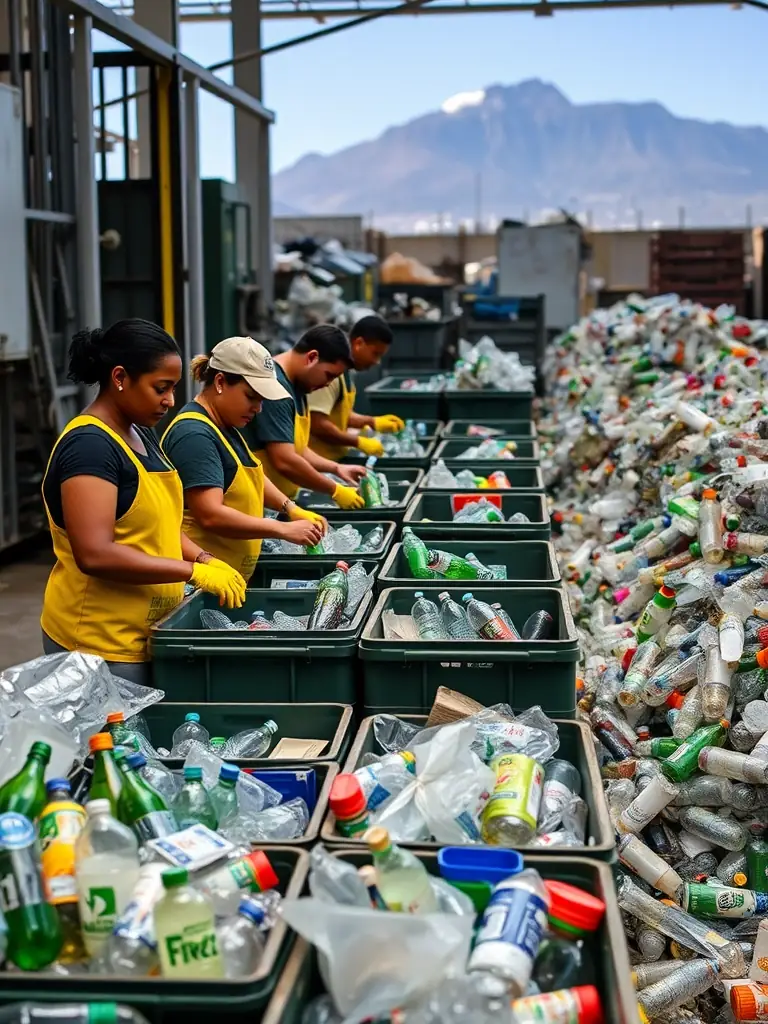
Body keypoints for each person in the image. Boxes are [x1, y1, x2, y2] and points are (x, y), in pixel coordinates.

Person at [40, 319, 247, 686]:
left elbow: (157, 526)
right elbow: (95, 553)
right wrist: (191, 573)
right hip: (99, 646)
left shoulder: (141, 433)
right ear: (120, 377)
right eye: (160, 388)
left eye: (172, 389)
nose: (170, 401)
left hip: (145, 633)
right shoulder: (90, 446)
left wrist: (203, 558)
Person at [161, 337, 328, 581]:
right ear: (220, 382)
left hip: (229, 580)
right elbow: (211, 515)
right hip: (204, 580)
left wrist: (290, 508)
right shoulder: (194, 435)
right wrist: (281, 529)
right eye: (252, 396)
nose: (258, 408)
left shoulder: (226, 426)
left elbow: (253, 476)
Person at [243, 325, 367, 510]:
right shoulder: (275, 388)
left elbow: (298, 450)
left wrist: (336, 468)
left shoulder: (299, 387)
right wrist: (334, 489)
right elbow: (285, 461)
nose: (327, 384)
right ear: (311, 357)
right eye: (329, 375)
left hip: (279, 503)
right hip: (258, 505)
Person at [308, 315, 405, 461]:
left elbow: (340, 414)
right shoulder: (330, 373)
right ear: (358, 343)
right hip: (315, 463)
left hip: (332, 461)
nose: (377, 362)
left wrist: (373, 422)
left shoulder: (346, 372)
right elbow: (316, 423)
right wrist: (357, 442)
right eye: (375, 353)